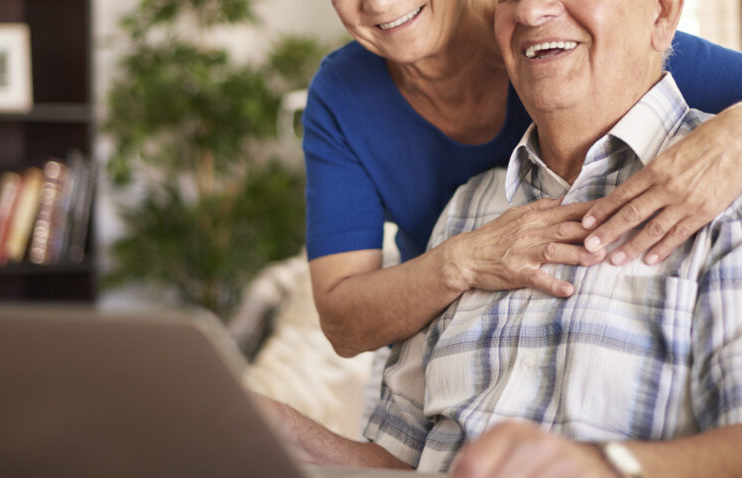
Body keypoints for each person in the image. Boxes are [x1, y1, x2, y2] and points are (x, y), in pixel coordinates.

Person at [267, 0, 742, 476]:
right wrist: (283, 433)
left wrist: (607, 467)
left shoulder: (722, 195)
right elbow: (398, 460)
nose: (532, 11)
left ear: (662, 14)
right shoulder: (465, 210)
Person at [305, 0, 742, 358]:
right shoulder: (342, 93)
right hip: (443, 349)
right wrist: (462, 261)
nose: (380, 4)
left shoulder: (565, 39)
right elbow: (343, 319)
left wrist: (736, 134)